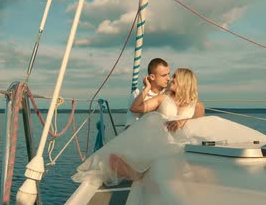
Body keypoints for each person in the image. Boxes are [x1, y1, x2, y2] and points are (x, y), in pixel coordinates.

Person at [72, 68, 205, 186]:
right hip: (160, 142)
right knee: (112, 158)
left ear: (184, 81)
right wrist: (146, 88)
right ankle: (139, 173)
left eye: (175, 76)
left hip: (182, 144)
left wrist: (181, 122)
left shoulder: (196, 104)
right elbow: (135, 108)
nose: (171, 79)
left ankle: (145, 173)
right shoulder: (163, 98)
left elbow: (198, 117)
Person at [125, 58, 171, 127]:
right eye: (164, 75)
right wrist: (147, 88)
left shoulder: (169, 92)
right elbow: (130, 123)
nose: (168, 78)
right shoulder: (138, 94)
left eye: (168, 74)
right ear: (152, 77)